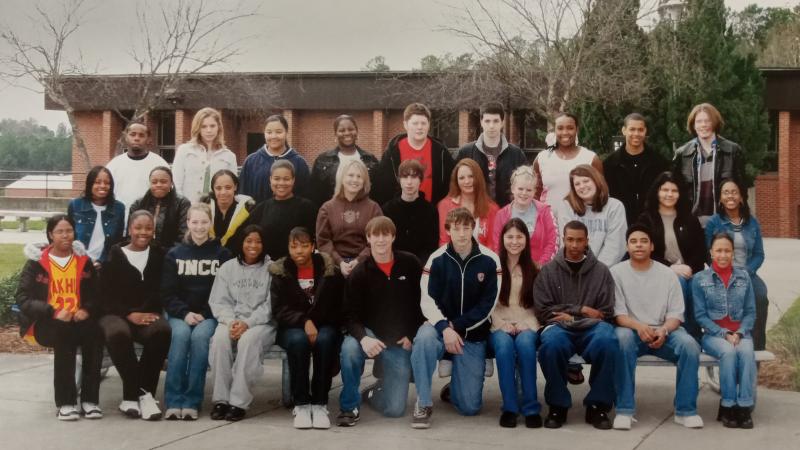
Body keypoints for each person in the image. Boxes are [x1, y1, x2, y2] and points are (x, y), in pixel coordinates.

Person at [410, 207, 501, 428]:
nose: (461, 233)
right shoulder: (437, 258)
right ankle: (423, 402)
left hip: (471, 333)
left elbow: (487, 305)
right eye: (456, 228)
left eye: (466, 227)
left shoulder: (490, 260)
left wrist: (457, 326)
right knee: (423, 338)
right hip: (441, 330)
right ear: (448, 230)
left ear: (474, 229)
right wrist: (444, 327)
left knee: (469, 408)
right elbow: (427, 300)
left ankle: (456, 385)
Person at [611, 224, 703, 430]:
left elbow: (676, 315)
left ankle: (685, 410)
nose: (639, 245)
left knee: (689, 346)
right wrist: (639, 327)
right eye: (633, 241)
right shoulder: (616, 272)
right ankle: (624, 410)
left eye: (644, 241)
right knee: (622, 340)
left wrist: (663, 330)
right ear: (627, 246)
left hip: (664, 330)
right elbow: (618, 315)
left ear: (652, 246)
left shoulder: (668, 274)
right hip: (631, 329)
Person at [338, 217, 426, 425]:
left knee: (395, 409)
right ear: (368, 238)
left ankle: (372, 392)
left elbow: (422, 303)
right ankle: (349, 407)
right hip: (369, 334)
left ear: (393, 237)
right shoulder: (359, 273)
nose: (380, 240)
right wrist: (363, 338)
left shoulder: (410, 263)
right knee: (350, 349)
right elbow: (349, 316)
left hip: (396, 340)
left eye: (385, 234)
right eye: (375, 235)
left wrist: (411, 334)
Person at [15, 215, 102, 420]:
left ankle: (90, 401)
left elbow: (96, 294)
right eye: (60, 231)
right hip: (47, 323)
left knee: (95, 334)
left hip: (78, 319)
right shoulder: (37, 263)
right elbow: (23, 298)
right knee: (64, 334)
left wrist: (87, 309)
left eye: (69, 230)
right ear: (50, 235)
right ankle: (66, 402)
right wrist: (52, 311)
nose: (65, 235)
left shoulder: (83, 261)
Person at [533, 220, 618, 430]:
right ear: (563, 239)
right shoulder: (549, 271)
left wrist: (568, 314)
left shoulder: (601, 272)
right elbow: (544, 311)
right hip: (560, 329)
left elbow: (605, 313)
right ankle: (558, 405)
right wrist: (582, 310)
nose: (574, 245)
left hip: (593, 330)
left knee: (608, 340)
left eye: (579, 240)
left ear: (587, 241)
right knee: (550, 344)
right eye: (570, 239)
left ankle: (598, 405)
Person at [161, 203, 233, 420]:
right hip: (180, 314)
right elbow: (167, 293)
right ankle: (174, 401)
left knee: (201, 339)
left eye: (204, 222)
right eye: (195, 222)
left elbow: (224, 291)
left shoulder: (223, 254)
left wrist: (204, 313)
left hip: (209, 314)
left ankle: (192, 400)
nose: (199, 227)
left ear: (210, 223)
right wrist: (184, 313)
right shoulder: (174, 254)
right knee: (181, 336)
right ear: (188, 223)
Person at [98, 210, 171, 420]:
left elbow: (161, 290)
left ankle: (144, 394)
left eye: (148, 228)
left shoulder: (159, 255)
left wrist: (144, 311)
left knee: (161, 331)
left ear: (154, 231)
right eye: (138, 228)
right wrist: (129, 314)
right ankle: (132, 394)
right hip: (114, 313)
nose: (143, 232)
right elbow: (104, 296)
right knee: (118, 333)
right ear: (129, 229)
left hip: (146, 312)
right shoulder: (114, 255)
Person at [270, 227, 344, 429]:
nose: (299, 251)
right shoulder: (281, 271)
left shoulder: (329, 271)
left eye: (304, 246)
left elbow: (338, 305)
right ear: (288, 248)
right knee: (298, 341)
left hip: (324, 323)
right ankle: (301, 403)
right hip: (292, 326)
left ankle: (319, 403)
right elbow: (279, 310)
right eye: (294, 247)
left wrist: (315, 322)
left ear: (313, 247)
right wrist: (304, 321)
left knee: (326, 340)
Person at [208, 225, 276, 422]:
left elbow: (270, 306)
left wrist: (247, 323)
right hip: (231, 320)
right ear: (241, 243)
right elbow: (219, 301)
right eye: (248, 241)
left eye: (258, 241)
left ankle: (238, 402)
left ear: (264, 244)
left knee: (247, 341)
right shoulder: (227, 268)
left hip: (261, 324)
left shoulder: (272, 269)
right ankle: (220, 400)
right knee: (220, 339)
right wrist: (231, 322)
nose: (253, 245)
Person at [692, 233, 757, 429]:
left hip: (740, 332)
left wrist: (739, 332)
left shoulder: (743, 276)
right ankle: (727, 405)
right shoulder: (700, 279)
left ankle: (744, 406)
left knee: (746, 352)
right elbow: (701, 316)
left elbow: (750, 311)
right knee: (728, 352)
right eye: (718, 250)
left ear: (733, 253)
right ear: (711, 253)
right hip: (713, 335)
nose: (723, 255)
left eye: (727, 251)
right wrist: (724, 334)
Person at [636, 172, 706, 339]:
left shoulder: (689, 219)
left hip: (690, 271)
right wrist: (671, 267)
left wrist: (689, 267)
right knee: (679, 281)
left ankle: (696, 333)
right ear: (657, 192)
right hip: (658, 272)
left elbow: (701, 251)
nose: (669, 194)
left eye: (674, 190)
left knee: (697, 282)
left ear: (680, 193)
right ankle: (687, 335)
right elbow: (644, 252)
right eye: (664, 190)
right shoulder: (646, 219)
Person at [705, 178, 768, 351]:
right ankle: (720, 347)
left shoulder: (752, 222)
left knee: (760, 296)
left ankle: (757, 351)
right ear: (720, 198)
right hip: (721, 273)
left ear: (741, 198)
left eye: (734, 192)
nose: (730, 196)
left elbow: (759, 254)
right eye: (726, 192)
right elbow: (708, 253)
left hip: (747, 273)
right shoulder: (713, 223)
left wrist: (747, 271)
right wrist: (725, 271)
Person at [490, 218, 542, 428]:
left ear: (526, 240)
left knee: (526, 346)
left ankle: (531, 408)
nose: (514, 241)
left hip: (526, 323)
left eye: (519, 237)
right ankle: (510, 408)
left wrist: (527, 323)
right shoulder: (493, 267)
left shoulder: (535, 269)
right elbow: (487, 304)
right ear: (502, 239)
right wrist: (500, 324)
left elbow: (540, 305)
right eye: (510, 237)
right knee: (503, 348)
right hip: (499, 323)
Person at [673, 103, 746, 227]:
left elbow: (742, 189)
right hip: (692, 224)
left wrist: (739, 218)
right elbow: (676, 191)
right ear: (693, 125)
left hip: (724, 222)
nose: (703, 125)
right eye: (699, 121)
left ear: (715, 122)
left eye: (707, 121)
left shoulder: (732, 150)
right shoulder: (682, 153)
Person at [374, 102, 455, 205]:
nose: (420, 127)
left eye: (423, 123)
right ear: (405, 125)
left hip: (432, 214)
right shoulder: (393, 152)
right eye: (415, 123)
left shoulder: (441, 152)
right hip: (401, 214)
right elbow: (382, 188)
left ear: (429, 125)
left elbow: (452, 185)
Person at [316, 159, 383, 277]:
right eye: (350, 175)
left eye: (359, 176)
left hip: (365, 265)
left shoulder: (373, 208)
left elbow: (378, 240)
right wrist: (340, 262)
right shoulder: (327, 208)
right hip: (334, 266)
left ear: (364, 181)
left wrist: (359, 261)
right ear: (341, 178)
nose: (355, 180)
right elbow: (323, 241)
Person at [455, 101, 527, 206]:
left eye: (496, 121)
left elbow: (525, 185)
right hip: (474, 213)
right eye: (487, 121)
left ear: (502, 122)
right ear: (481, 122)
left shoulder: (516, 154)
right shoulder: (465, 152)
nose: (491, 126)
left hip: (506, 213)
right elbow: (454, 183)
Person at [603, 113, 669, 225]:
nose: (636, 134)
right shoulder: (610, 164)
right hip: (621, 221)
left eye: (640, 130)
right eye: (632, 129)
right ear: (624, 130)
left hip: (652, 221)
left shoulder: (659, 162)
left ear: (645, 131)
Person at [555, 164, 627, 268]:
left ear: (596, 181)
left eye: (586, 181)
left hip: (605, 270)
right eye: (577, 184)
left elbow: (615, 247)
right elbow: (568, 243)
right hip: (574, 268)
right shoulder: (567, 206)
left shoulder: (615, 207)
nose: (582, 186)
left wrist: (595, 271)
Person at [243, 160, 316, 260]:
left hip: (296, 265)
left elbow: (313, 240)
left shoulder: (306, 207)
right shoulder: (261, 209)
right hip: (267, 266)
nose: (281, 183)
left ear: (293, 180)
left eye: (286, 179)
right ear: (270, 179)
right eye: (276, 179)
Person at [491, 165, 558, 266]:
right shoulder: (501, 215)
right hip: (510, 271)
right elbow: (497, 246)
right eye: (520, 189)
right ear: (513, 189)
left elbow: (552, 243)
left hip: (539, 271)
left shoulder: (545, 211)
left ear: (535, 191)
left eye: (529, 190)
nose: (524, 193)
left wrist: (540, 266)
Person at [533, 113, 603, 208]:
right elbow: (534, 193)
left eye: (570, 128)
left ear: (577, 130)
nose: (565, 132)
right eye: (560, 128)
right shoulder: (542, 158)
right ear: (554, 130)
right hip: (548, 220)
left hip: (580, 220)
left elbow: (600, 193)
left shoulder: (590, 158)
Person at [309, 114, 380, 206]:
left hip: (363, 213)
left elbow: (379, 192)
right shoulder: (322, 160)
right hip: (332, 214)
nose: (347, 133)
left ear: (356, 131)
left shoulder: (370, 159)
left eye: (351, 129)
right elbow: (314, 194)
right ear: (335, 134)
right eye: (342, 130)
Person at [239, 114, 310, 204]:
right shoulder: (251, 161)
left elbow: (306, 197)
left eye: (279, 132)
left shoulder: (299, 163)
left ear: (286, 132)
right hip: (257, 216)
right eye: (269, 132)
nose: (273, 136)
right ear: (264, 133)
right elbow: (242, 195)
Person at [172, 107, 238, 203]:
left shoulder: (229, 156)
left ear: (218, 127)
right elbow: (176, 185)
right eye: (203, 126)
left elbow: (231, 188)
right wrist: (183, 208)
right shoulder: (184, 151)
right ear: (197, 128)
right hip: (188, 210)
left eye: (212, 126)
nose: (208, 130)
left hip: (217, 210)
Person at [381, 159, 439, 263]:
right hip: (394, 264)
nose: (409, 182)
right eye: (405, 176)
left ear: (421, 180)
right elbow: (385, 243)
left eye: (414, 177)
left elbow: (431, 246)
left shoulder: (430, 210)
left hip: (421, 266)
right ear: (399, 179)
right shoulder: (387, 209)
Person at [67, 165, 126, 266]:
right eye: (97, 182)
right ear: (90, 184)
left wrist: (100, 261)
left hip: (106, 265)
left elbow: (117, 241)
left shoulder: (119, 208)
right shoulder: (75, 205)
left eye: (107, 183)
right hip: (79, 263)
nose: (103, 186)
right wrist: (87, 260)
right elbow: (69, 237)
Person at [106, 121, 168, 215]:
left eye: (141, 135)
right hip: (119, 220)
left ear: (149, 139)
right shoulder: (114, 165)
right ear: (126, 137)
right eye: (133, 134)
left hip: (149, 222)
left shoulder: (160, 164)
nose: (136, 138)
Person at [437, 158, 499, 247]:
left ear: (478, 177)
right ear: (456, 181)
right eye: (461, 178)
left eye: (471, 176)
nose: (467, 181)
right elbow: (444, 242)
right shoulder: (444, 205)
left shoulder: (492, 209)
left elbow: (492, 245)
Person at [130, 166, 191, 251]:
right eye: (154, 182)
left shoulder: (182, 203)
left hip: (171, 254)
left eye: (163, 182)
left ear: (171, 183)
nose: (158, 185)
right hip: (143, 252)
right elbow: (131, 234)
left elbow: (184, 235)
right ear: (149, 184)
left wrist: (169, 253)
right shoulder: (138, 204)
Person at [200, 169, 254, 250]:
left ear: (235, 187)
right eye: (218, 188)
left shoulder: (248, 210)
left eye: (228, 187)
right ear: (213, 189)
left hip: (235, 257)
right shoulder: (202, 208)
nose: (223, 192)